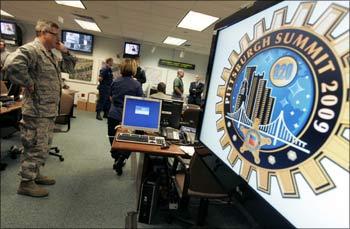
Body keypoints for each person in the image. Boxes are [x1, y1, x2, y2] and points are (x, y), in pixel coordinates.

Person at [3, 19, 76, 197]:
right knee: (35, 145)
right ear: (43, 33)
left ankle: (34, 174)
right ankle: (26, 183)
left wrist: (65, 51)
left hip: (47, 111)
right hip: (36, 111)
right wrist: (28, 83)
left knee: (43, 146)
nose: (58, 39)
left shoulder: (50, 53)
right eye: (55, 34)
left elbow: (71, 69)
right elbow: (11, 65)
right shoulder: (32, 49)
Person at [107, 58, 143, 176]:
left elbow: (111, 97)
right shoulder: (137, 84)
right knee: (130, 141)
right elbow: (139, 103)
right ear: (133, 69)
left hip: (114, 114)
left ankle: (116, 156)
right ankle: (122, 158)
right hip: (128, 118)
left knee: (113, 138)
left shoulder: (115, 81)